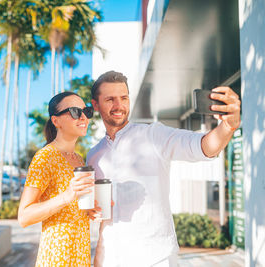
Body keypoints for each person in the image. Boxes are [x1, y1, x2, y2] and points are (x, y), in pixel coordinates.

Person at [86, 71, 241, 267]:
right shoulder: (93, 155)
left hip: (155, 258)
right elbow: (99, 212)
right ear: (95, 105)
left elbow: (202, 146)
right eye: (110, 99)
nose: (119, 106)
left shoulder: (153, 135)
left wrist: (228, 126)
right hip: (111, 258)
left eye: (124, 98)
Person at [18, 91, 95, 266]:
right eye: (75, 111)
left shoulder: (78, 159)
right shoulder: (45, 157)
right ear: (56, 121)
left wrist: (89, 210)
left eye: (87, 111)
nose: (83, 117)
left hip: (80, 258)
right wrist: (67, 196)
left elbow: (71, 209)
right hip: (56, 259)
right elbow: (24, 216)